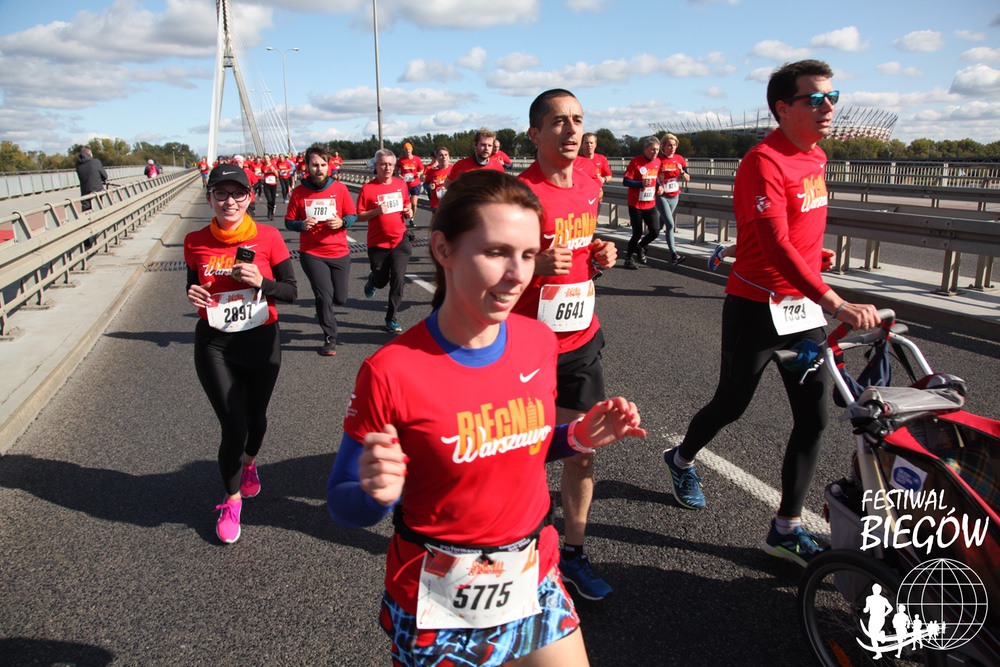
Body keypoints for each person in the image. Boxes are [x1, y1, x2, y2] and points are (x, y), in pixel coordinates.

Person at [327, 170, 646, 666]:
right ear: (442, 249)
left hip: (533, 571)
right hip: (439, 599)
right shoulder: (390, 371)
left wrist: (577, 437)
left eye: (528, 254)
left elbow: (521, 445)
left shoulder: (538, 341)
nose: (518, 274)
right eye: (496, 252)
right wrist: (375, 494)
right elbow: (342, 503)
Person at [664, 59, 880, 567]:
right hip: (756, 306)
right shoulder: (762, 162)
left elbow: (795, 233)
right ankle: (681, 457)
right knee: (732, 403)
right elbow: (773, 243)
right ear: (783, 108)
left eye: (832, 97)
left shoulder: (817, 157)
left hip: (802, 307)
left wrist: (815, 257)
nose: (829, 106)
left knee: (814, 418)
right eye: (816, 99)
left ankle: (785, 528)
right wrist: (834, 300)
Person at [514, 89, 620, 601]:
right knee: (526, 456)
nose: (571, 129)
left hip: (579, 338)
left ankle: (573, 554)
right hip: (524, 345)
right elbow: (484, 265)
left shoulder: (590, 183)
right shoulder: (516, 194)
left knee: (581, 450)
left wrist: (599, 256)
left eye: (577, 119)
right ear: (535, 133)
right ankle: (523, 547)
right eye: (558, 121)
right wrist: (532, 264)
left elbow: (579, 255)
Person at [184, 163, 297, 544]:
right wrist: (193, 294)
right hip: (215, 343)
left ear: (250, 197)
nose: (229, 201)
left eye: (237, 193)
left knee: (256, 419)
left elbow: (291, 290)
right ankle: (231, 500)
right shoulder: (194, 241)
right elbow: (193, 284)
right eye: (221, 193)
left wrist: (263, 283)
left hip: (260, 341)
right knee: (234, 424)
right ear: (210, 198)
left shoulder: (269, 237)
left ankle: (249, 464)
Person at [285, 145, 357, 356]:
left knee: (340, 298)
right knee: (323, 296)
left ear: (329, 166)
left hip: (339, 252)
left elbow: (352, 215)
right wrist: (301, 225)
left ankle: (326, 313)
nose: (319, 169)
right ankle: (329, 337)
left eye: (323, 165)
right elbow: (289, 221)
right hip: (312, 253)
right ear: (307, 166)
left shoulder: (340, 189)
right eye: (315, 165)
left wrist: (342, 222)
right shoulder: (299, 192)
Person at [356, 149, 414, 334]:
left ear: (394, 166)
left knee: (398, 279)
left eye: (390, 164)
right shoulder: (368, 188)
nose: (387, 168)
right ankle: (373, 280)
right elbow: (359, 216)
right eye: (383, 164)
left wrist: (409, 211)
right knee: (381, 281)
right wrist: (376, 212)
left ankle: (391, 318)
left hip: (400, 240)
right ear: (376, 166)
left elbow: (406, 205)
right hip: (378, 244)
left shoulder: (400, 184)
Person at [621, 137, 661, 270]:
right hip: (636, 204)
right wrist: (640, 184)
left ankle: (640, 246)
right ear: (645, 149)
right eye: (652, 149)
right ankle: (628, 259)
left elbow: (655, 178)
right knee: (637, 233)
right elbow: (626, 181)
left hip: (650, 204)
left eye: (657, 149)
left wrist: (659, 186)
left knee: (655, 231)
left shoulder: (657, 161)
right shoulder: (636, 162)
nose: (655, 152)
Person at [655, 133, 690, 265]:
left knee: (661, 224)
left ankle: (643, 245)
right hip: (662, 196)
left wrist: (682, 171)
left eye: (674, 145)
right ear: (663, 146)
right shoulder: (658, 160)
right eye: (669, 145)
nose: (672, 148)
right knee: (670, 224)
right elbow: (652, 175)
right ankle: (674, 255)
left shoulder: (679, 159)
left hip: (674, 195)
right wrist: (658, 182)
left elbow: (688, 178)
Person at [395, 142, 424, 239]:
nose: (407, 151)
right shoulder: (401, 160)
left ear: (412, 150)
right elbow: (396, 169)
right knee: (406, 204)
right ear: (404, 151)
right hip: (405, 185)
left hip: (415, 184)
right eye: (406, 149)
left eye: (409, 149)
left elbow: (422, 169)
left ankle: (412, 218)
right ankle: (404, 217)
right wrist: (398, 175)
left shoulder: (417, 159)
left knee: (414, 203)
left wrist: (419, 173)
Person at [576, 132, 612, 201]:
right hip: (580, 197)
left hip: (596, 196)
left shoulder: (601, 159)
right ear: (582, 145)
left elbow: (609, 177)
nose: (589, 145)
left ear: (595, 144)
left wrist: (603, 179)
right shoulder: (576, 160)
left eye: (591, 143)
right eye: (586, 143)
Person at [75, 146, 107, 212]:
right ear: (90, 154)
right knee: (99, 212)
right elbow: (105, 176)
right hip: (97, 193)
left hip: (85, 195)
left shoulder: (78, 165)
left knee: (87, 213)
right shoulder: (96, 162)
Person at [422, 146, 452, 213]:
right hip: (436, 204)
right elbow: (425, 184)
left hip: (450, 202)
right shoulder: (432, 171)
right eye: (441, 155)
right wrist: (429, 186)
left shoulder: (454, 169)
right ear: (437, 158)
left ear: (448, 156)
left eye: (445, 155)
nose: (444, 157)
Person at [260, 155, 279, 221]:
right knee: (269, 200)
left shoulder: (273, 165)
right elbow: (262, 176)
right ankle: (269, 212)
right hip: (266, 184)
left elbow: (277, 175)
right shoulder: (263, 166)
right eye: (265, 158)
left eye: (267, 158)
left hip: (273, 184)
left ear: (269, 159)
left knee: (273, 201)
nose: (266, 159)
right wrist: (262, 176)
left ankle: (272, 213)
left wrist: (273, 171)